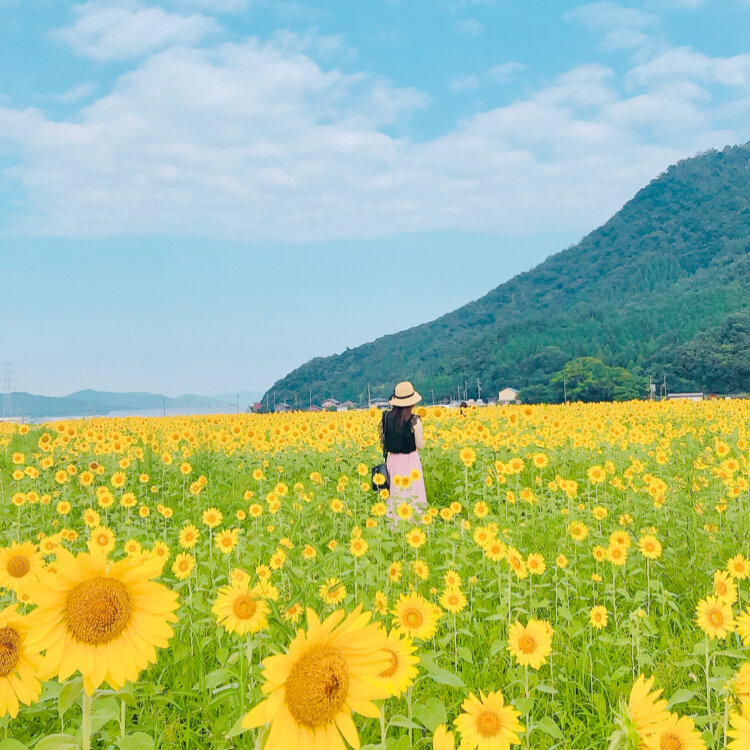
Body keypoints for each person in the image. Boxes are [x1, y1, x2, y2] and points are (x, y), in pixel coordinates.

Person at [381, 381, 427, 523]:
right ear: (411, 402)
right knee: (412, 493)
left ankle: (394, 525)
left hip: (393, 461)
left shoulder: (385, 417)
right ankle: (413, 525)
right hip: (409, 461)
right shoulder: (414, 420)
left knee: (396, 494)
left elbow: (384, 440)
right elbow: (419, 445)